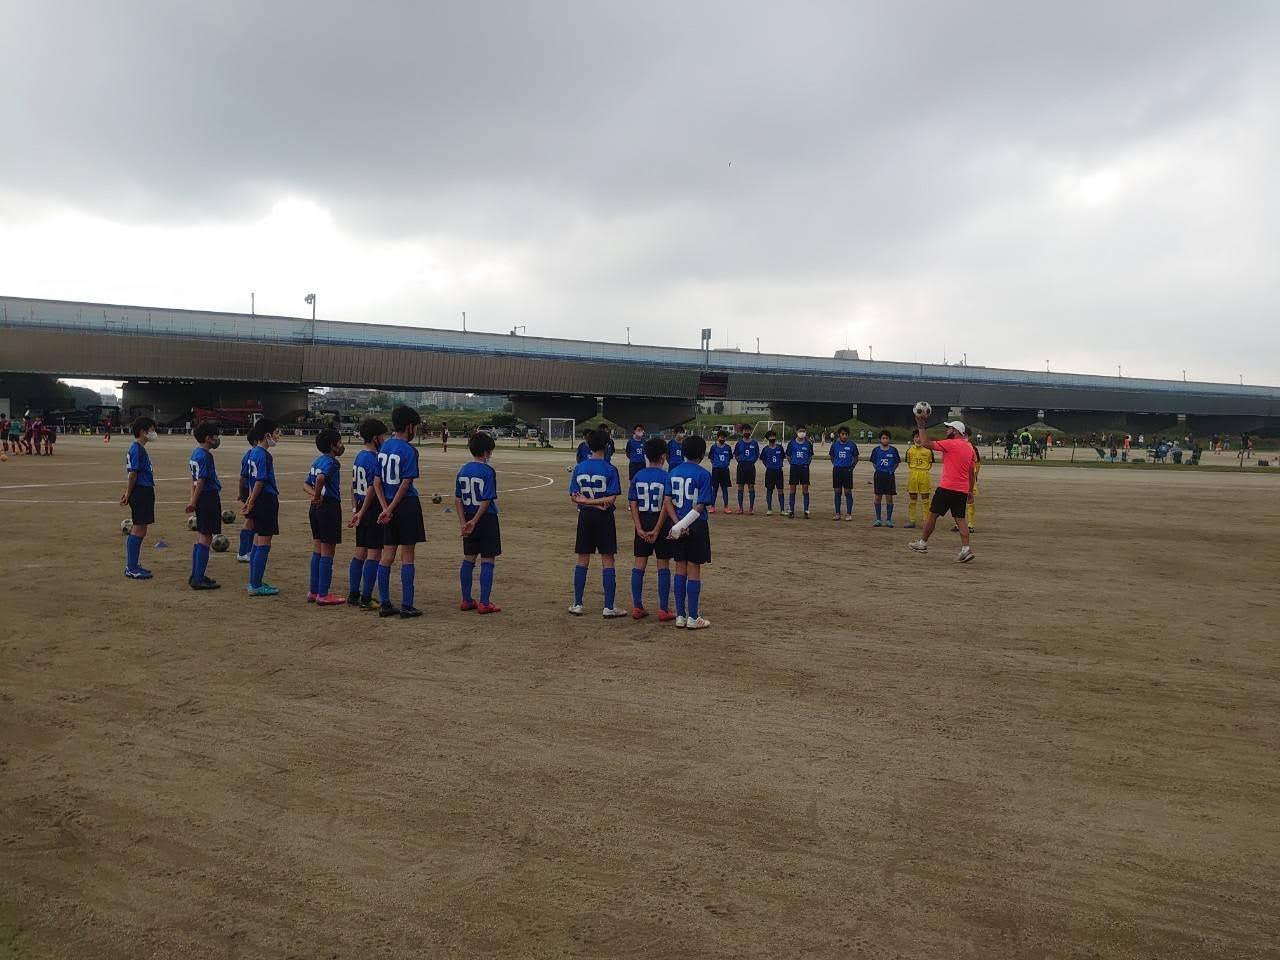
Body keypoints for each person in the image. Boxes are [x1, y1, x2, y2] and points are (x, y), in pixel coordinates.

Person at [372, 405, 425, 618]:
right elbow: (406, 483)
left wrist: (385, 508)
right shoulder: (409, 450)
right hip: (406, 505)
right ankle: (407, 604)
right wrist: (392, 508)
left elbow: (376, 481)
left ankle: (385, 603)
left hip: (387, 504)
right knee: (408, 555)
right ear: (409, 426)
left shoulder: (384, 447)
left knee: (387, 555)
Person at [568, 428, 626, 618]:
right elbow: (610, 498)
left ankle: (578, 603)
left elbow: (574, 496)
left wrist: (586, 502)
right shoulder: (610, 469)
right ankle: (608, 606)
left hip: (585, 517)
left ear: (588, 446)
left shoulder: (579, 468)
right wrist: (597, 502)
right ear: (607, 445)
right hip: (604, 517)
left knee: (582, 558)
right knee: (607, 559)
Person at [908, 416, 976, 562]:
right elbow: (971, 473)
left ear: (956, 431)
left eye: (949, 428)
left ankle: (922, 543)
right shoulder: (969, 448)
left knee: (932, 515)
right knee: (960, 519)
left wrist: (921, 426)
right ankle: (966, 549)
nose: (947, 430)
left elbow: (925, 443)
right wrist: (970, 490)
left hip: (947, 487)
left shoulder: (950, 444)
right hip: (961, 489)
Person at [666, 434, 714, 629]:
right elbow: (701, 505)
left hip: (677, 524)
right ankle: (693, 617)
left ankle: (680, 615)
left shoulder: (673, 472)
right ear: (702, 454)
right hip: (695, 525)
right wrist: (684, 525)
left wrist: (677, 525)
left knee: (679, 568)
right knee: (694, 568)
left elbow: (667, 501)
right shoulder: (703, 474)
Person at [627, 436, 675, 621]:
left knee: (639, 563)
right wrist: (657, 528)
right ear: (663, 457)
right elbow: (666, 504)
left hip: (642, 521)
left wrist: (638, 527)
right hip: (661, 523)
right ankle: (663, 609)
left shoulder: (638, 476)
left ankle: (637, 606)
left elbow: (633, 503)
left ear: (646, 455)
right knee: (663, 564)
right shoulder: (667, 477)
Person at [456, 431, 502, 614]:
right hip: (486, 519)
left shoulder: (463, 470)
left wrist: (464, 522)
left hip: (467, 517)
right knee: (488, 560)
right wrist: (475, 521)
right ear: (486, 452)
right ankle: (484, 602)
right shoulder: (488, 471)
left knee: (469, 559)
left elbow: (457, 499)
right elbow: (487, 500)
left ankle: (466, 599)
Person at [347, 418, 387, 609]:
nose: (384, 439)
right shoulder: (373, 458)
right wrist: (363, 511)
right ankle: (366, 597)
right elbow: (372, 487)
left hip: (361, 506)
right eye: (383, 436)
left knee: (360, 552)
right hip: (371, 509)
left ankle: (353, 594)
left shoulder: (359, 456)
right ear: (375, 438)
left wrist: (356, 509)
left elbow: (352, 486)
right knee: (374, 553)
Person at [304, 427, 347, 606]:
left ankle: (313, 591)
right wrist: (318, 496)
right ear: (332, 445)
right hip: (329, 507)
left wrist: (314, 497)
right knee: (328, 551)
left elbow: (306, 484)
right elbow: (321, 478)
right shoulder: (332, 463)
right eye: (339, 442)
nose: (341, 445)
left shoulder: (317, 461)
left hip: (315, 509)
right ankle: (323, 593)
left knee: (317, 549)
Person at [242, 418, 283, 596]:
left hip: (258, 499)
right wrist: (251, 501)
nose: (278, 436)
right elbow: (260, 481)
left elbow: (252, 481)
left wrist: (250, 499)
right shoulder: (264, 455)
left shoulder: (252, 453)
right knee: (264, 541)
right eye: (276, 433)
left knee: (258, 541)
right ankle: (256, 585)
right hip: (265, 499)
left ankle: (254, 581)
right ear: (267, 435)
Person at [185, 420, 223, 590]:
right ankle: (198, 578)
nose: (217, 439)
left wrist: (193, 499)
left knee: (201, 534)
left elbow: (193, 480)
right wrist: (193, 501)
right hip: (208, 496)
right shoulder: (206, 456)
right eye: (215, 436)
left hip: (201, 497)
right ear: (208, 438)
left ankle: (196, 574)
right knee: (206, 536)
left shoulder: (195, 453)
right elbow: (201, 480)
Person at [120, 416, 158, 580]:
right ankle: (131, 567)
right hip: (141, 490)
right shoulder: (137, 449)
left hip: (144, 489)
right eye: (152, 430)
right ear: (143, 431)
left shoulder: (139, 448)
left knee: (142, 528)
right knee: (139, 528)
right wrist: (128, 493)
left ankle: (133, 564)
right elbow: (133, 474)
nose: (154, 433)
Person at [235, 429, 260, 563]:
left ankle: (248, 550)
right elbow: (243, 477)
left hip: (251, 490)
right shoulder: (252, 455)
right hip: (250, 490)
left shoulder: (251, 454)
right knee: (249, 521)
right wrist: (242, 494)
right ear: (256, 441)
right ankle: (243, 552)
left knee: (253, 520)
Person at [869, 430, 901, 527]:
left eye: (887, 438)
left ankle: (888, 520)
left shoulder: (893, 450)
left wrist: (891, 470)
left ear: (889, 439)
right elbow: (874, 463)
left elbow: (896, 463)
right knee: (878, 497)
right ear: (880, 439)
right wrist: (880, 470)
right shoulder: (876, 450)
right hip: (879, 476)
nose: (885, 440)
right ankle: (878, 519)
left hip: (889, 476)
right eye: (883, 438)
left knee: (889, 497)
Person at [904, 428, 933, 528]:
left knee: (925, 499)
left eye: (920, 437)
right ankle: (912, 521)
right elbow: (908, 463)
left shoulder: (928, 451)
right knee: (913, 499)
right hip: (913, 475)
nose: (918, 439)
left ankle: (926, 521)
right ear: (913, 439)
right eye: (916, 437)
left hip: (924, 475)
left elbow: (930, 463)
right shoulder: (909, 450)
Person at [828, 426, 859, 521]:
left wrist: (851, 467)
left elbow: (856, 458)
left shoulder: (852, 445)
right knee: (837, 491)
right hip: (837, 470)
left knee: (848, 492)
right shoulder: (834, 445)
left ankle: (849, 513)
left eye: (846, 434)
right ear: (839, 435)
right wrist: (836, 464)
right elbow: (832, 456)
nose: (844, 436)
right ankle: (837, 513)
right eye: (842, 434)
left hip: (847, 470)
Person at [785, 425, 814, 518]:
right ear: (796, 431)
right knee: (792, 490)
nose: (802, 433)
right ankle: (791, 511)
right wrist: (793, 463)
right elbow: (788, 456)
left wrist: (805, 464)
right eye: (800, 431)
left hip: (804, 468)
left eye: (804, 431)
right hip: (794, 468)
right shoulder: (791, 443)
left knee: (805, 490)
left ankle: (806, 511)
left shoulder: (808, 444)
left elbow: (810, 456)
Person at [733, 425, 760, 515]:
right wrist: (741, 461)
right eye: (745, 430)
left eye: (748, 430)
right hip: (741, 466)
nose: (747, 432)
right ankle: (740, 508)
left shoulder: (754, 443)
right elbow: (736, 455)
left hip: (751, 466)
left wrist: (752, 461)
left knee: (751, 486)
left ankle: (751, 508)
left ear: (750, 431)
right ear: (742, 432)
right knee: (740, 486)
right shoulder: (739, 443)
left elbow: (757, 454)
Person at [760, 430, 786, 515]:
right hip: (770, 472)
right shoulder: (765, 449)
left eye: (773, 436)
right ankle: (769, 509)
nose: (772, 438)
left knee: (780, 490)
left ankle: (782, 510)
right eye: (770, 436)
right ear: (768, 438)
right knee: (769, 490)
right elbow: (763, 459)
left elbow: (782, 457)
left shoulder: (780, 447)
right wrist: (768, 465)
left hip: (778, 471)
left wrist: (778, 465)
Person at [708, 429, 733, 513]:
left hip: (725, 470)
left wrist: (724, 465)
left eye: (724, 437)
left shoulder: (728, 447)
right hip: (716, 470)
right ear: (718, 437)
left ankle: (726, 507)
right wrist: (716, 464)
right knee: (714, 488)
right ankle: (712, 506)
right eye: (721, 437)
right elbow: (711, 458)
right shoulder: (713, 447)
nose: (722, 439)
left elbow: (729, 458)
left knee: (724, 489)